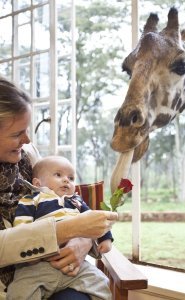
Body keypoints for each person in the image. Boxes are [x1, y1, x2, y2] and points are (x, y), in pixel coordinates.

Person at [0, 77, 118, 299]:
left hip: (67, 274)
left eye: (26, 130)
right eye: (17, 133)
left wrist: (82, 241)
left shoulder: (28, 157)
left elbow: (66, 206)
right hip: (18, 282)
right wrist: (68, 230)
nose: (27, 140)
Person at [7, 155, 112, 300]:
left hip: (76, 267)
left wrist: (105, 239)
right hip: (37, 267)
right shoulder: (32, 200)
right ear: (37, 183)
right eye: (58, 175)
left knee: (100, 281)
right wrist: (28, 256)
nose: (66, 180)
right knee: (19, 291)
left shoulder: (77, 202)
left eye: (71, 177)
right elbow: (22, 228)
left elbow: (95, 220)